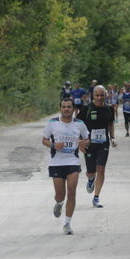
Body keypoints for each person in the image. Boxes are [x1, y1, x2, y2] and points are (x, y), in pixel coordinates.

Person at [42, 98, 90, 234]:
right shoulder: (52, 123)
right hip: (56, 162)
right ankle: (59, 203)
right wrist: (53, 145)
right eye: (64, 107)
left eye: (69, 107)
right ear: (60, 109)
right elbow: (44, 140)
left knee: (72, 191)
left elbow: (87, 139)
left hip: (72, 162)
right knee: (60, 194)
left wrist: (84, 144)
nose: (66, 109)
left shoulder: (79, 124)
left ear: (73, 109)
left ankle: (67, 224)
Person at [77, 85, 117, 208]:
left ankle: (96, 197)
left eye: (102, 95)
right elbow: (77, 125)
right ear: (92, 96)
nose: (100, 98)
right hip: (89, 143)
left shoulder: (109, 109)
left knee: (101, 168)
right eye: (97, 95)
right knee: (91, 172)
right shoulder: (86, 109)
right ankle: (90, 180)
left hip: (103, 144)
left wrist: (112, 137)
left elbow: (110, 124)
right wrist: (80, 141)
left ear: (105, 95)